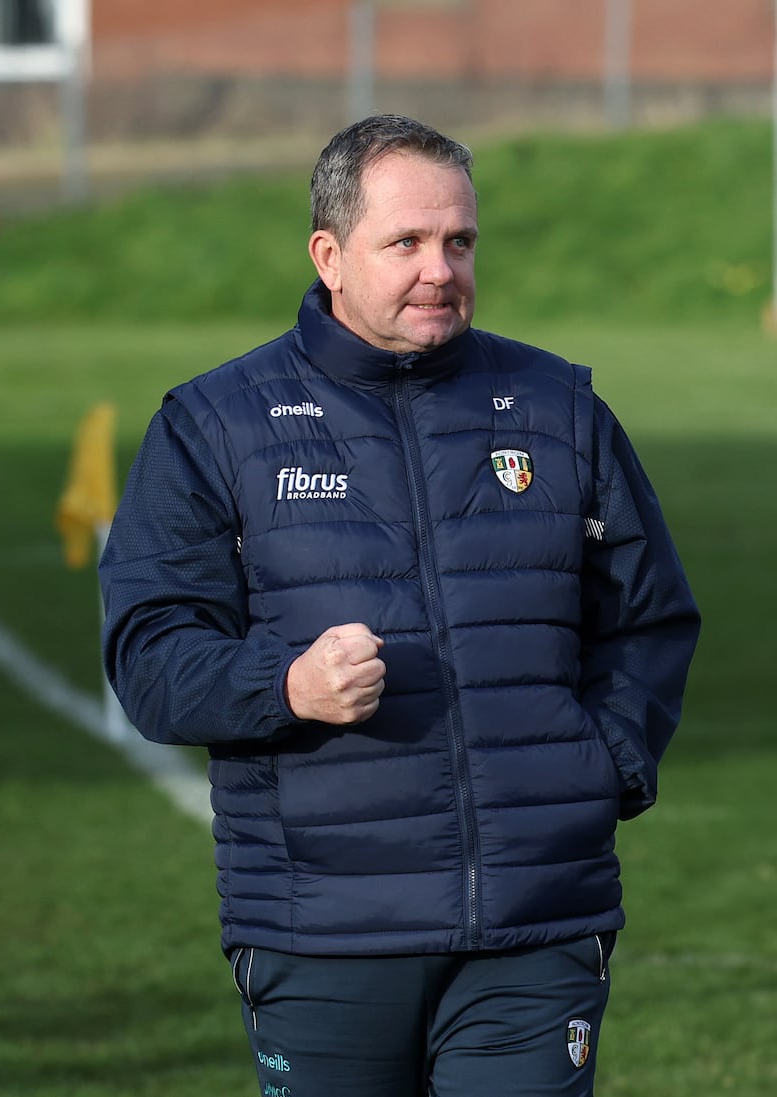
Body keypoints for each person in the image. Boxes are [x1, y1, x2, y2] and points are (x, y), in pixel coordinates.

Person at [99, 114, 700, 1096]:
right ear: (328, 255)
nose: (439, 268)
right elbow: (150, 656)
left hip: (535, 918)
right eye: (406, 242)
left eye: (458, 241)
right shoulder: (215, 423)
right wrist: (283, 682)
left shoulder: (557, 407)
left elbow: (647, 619)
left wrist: (603, 766)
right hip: (321, 928)